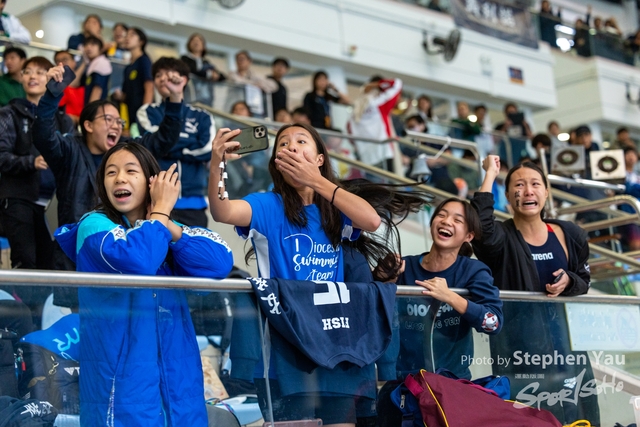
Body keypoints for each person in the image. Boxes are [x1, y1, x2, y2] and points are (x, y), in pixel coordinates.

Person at [209, 123, 382, 427]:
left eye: (301, 141)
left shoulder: (335, 208)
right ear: (277, 162)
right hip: (285, 346)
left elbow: (371, 221)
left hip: (333, 341)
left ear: (319, 158)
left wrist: (316, 181)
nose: (291, 146)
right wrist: (217, 164)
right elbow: (222, 211)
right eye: (284, 143)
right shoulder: (267, 205)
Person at [54, 142, 234, 427]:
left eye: (130, 171)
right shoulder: (94, 225)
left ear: (152, 182)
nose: (119, 179)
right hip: (122, 394)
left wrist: (166, 222)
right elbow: (140, 260)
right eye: (110, 172)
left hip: (179, 389)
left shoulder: (162, 229)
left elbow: (220, 263)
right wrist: (160, 213)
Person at [33, 63, 187, 308]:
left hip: (124, 251)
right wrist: (52, 94)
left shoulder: (128, 149)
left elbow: (164, 139)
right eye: (108, 119)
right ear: (88, 125)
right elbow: (42, 134)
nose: (116, 125)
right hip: (79, 255)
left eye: (119, 121)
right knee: (82, 318)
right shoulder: (69, 150)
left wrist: (176, 98)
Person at [471, 156, 599, 425]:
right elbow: (480, 227)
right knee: (530, 418)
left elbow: (584, 280)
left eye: (535, 184)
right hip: (519, 350)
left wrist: (569, 281)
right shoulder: (501, 238)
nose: (528, 191)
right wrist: (491, 173)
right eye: (519, 185)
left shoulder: (569, 234)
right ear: (507, 196)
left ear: (546, 191)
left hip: (567, 345)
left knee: (578, 415)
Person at [379, 197, 502, 381]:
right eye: (442, 215)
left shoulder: (473, 271)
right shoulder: (405, 266)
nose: (446, 221)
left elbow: (493, 323)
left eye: (457, 220)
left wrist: (451, 297)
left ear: (469, 236)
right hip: (404, 381)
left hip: (452, 382)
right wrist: (384, 278)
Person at [0, 56, 74, 327]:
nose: (33, 76)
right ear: (20, 78)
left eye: (40, 72)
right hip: (19, 198)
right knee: (26, 264)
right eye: (27, 72)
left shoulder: (64, 120)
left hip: (54, 205)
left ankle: (43, 330)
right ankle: (24, 330)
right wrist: (30, 162)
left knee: (49, 267)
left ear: (51, 77)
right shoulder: (8, 113)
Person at [137, 57, 214, 227]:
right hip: (156, 201)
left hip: (193, 203)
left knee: (195, 245)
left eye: (168, 74)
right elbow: (155, 144)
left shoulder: (203, 116)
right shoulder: (147, 111)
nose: (163, 79)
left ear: (183, 80)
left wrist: (169, 147)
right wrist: (188, 142)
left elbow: (207, 149)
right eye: (158, 75)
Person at [347, 76, 402, 171]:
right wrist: (378, 84)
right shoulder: (378, 102)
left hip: (365, 158)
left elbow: (349, 130)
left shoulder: (356, 107)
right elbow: (397, 83)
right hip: (383, 153)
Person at [113, 27, 153, 132]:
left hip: (142, 116)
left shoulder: (144, 61)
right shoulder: (128, 68)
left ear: (141, 41)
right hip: (130, 114)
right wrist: (119, 96)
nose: (127, 38)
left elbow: (149, 87)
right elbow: (126, 95)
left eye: (132, 35)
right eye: (126, 35)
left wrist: (145, 113)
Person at [180, 33, 225, 105]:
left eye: (199, 40)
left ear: (203, 46)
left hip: (206, 99)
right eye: (193, 40)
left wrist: (216, 75)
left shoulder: (206, 62)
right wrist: (209, 74)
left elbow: (222, 76)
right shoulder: (184, 59)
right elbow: (191, 70)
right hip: (190, 96)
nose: (196, 42)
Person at [72, 36, 112, 105]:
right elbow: (73, 84)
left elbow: (97, 90)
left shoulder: (101, 63)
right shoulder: (91, 65)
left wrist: (91, 110)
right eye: (86, 45)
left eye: (93, 44)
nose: (88, 47)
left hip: (95, 107)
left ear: (100, 49)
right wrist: (84, 63)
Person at [53, 50, 85, 124]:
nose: (61, 63)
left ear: (74, 62)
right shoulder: (54, 86)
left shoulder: (85, 84)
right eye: (58, 61)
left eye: (65, 59)